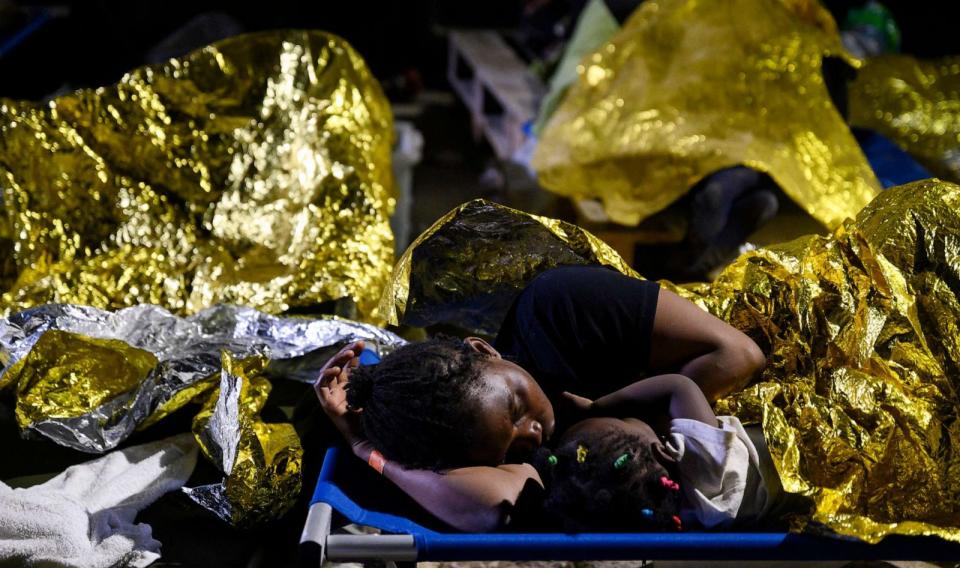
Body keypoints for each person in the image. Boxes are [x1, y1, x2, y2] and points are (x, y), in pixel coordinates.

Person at [315, 264, 766, 531]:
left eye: (515, 405)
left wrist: (627, 420)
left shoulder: (558, 311)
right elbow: (487, 509)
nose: (535, 432)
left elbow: (739, 354)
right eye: (510, 447)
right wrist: (365, 448)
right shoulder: (528, 456)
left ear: (483, 348)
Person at [531, 373, 799, 532]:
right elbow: (678, 387)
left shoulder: (681, 516)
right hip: (789, 448)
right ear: (664, 452)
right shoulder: (702, 457)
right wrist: (596, 408)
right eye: (625, 421)